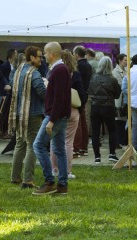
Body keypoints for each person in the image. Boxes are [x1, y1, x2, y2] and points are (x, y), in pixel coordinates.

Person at [32, 41, 71, 196]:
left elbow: (59, 98)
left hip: (56, 116)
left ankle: (49, 182)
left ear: (52, 54)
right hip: (59, 115)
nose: (44, 56)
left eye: (45, 53)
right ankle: (62, 185)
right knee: (59, 150)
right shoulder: (59, 69)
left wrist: (52, 120)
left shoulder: (59, 69)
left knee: (38, 145)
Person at [8, 46, 46, 189]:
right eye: (38, 57)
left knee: (20, 144)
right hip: (32, 113)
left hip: (17, 112)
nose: (41, 59)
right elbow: (42, 92)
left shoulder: (17, 71)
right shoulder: (33, 73)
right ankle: (28, 180)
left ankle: (15, 177)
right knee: (32, 145)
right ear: (31, 58)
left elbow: (12, 85)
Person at [53, 49, 85, 180]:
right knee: (68, 143)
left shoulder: (54, 72)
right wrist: (80, 108)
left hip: (57, 111)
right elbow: (82, 94)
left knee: (54, 142)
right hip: (72, 110)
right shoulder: (75, 74)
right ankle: (67, 171)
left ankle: (54, 169)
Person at [88, 56, 122, 163]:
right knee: (112, 130)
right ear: (110, 65)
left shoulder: (93, 77)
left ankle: (97, 157)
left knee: (95, 132)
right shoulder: (112, 79)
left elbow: (89, 92)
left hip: (95, 106)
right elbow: (117, 95)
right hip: (108, 107)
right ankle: (112, 154)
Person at [73, 45, 91, 157]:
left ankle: (77, 147)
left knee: (77, 123)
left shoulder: (78, 66)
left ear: (76, 54)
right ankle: (84, 147)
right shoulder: (88, 65)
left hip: (78, 95)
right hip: (85, 95)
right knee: (83, 122)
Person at [112, 54, 128, 147]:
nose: (126, 62)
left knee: (123, 121)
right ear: (119, 61)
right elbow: (119, 84)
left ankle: (122, 140)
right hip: (119, 99)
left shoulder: (126, 70)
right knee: (119, 121)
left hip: (125, 99)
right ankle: (118, 141)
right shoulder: (115, 71)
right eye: (125, 60)